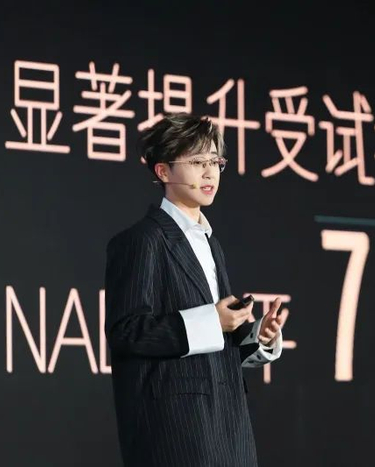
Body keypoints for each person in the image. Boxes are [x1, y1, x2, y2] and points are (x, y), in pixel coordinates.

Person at [104, 113, 288, 467]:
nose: (209, 173)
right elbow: (126, 332)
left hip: (228, 428)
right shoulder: (142, 240)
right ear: (163, 171)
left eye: (215, 162)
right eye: (197, 162)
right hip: (176, 432)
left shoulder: (209, 242)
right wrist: (211, 321)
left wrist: (257, 337)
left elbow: (214, 344)